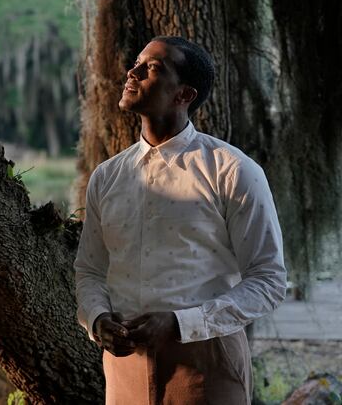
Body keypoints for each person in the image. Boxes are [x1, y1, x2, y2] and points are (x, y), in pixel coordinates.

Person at [74, 36, 287, 404]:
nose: (133, 72)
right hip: (123, 371)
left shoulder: (232, 171)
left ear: (183, 94)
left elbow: (268, 281)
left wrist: (179, 323)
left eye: (152, 68)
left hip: (207, 365)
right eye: (137, 62)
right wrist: (96, 320)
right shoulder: (107, 177)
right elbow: (90, 270)